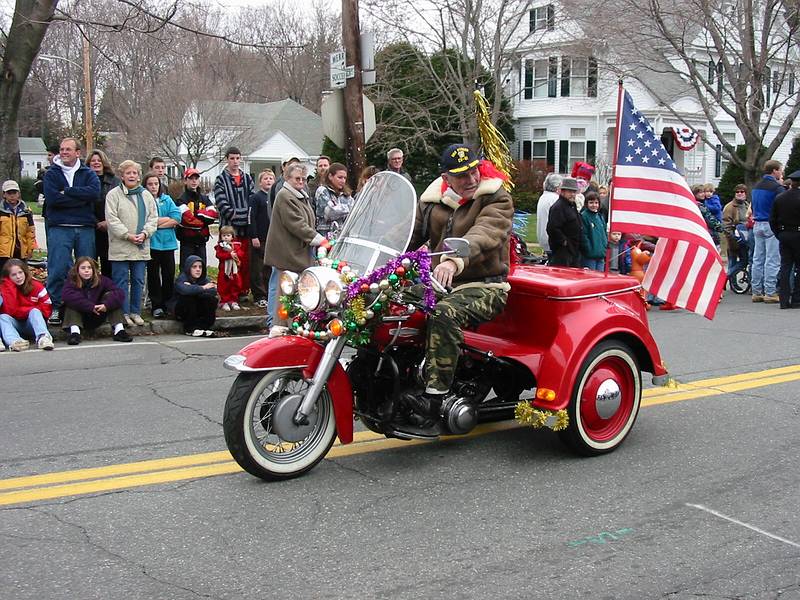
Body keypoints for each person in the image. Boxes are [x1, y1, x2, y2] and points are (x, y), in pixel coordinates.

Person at [398, 144, 513, 430]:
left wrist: (452, 261)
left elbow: (485, 233)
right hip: (440, 283)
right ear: (446, 177)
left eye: (474, 170)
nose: (471, 179)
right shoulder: (434, 200)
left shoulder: (495, 197)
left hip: (485, 285)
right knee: (391, 302)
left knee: (444, 313)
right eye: (462, 175)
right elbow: (404, 234)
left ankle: (434, 398)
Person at [264, 162, 331, 331]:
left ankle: (291, 327)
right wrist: (318, 239)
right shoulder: (285, 195)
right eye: (297, 178)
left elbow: (308, 220)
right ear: (287, 178)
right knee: (284, 295)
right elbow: (296, 224)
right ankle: (279, 329)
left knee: (293, 294)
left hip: (298, 252)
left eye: (303, 178)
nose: (301, 181)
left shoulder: (300, 194)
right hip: (287, 254)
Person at [43, 137, 101, 326]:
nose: (64, 152)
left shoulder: (88, 173)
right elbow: (52, 199)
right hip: (59, 227)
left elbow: (93, 193)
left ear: (78, 152)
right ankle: (57, 306)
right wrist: (79, 198)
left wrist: (66, 191)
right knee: (58, 268)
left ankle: (86, 306)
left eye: (68, 149)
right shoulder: (52, 174)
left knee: (87, 270)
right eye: (62, 149)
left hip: (85, 227)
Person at [105, 160, 158, 326]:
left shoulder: (146, 195)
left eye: (134, 173)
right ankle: (123, 312)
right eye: (128, 173)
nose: (132, 176)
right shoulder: (113, 195)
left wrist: (144, 233)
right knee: (120, 281)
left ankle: (136, 311)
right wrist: (127, 235)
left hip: (140, 246)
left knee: (138, 280)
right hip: (120, 245)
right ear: (122, 176)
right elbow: (112, 219)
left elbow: (153, 218)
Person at [61, 256, 133, 344]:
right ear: (77, 270)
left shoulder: (102, 280)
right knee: (71, 304)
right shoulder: (72, 281)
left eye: (89, 268)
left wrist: (106, 305)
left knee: (112, 299)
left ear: (93, 269)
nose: (86, 270)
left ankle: (119, 330)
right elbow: (67, 296)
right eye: (83, 268)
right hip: (79, 317)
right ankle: (74, 333)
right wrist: (90, 307)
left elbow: (119, 293)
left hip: (97, 314)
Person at [214, 146, 254, 300]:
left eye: (238, 158)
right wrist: (241, 215)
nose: (235, 161)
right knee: (227, 261)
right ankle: (226, 294)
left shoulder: (247, 178)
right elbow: (223, 206)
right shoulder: (220, 180)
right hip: (228, 231)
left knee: (243, 260)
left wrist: (244, 217)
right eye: (232, 158)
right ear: (227, 159)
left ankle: (242, 291)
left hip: (245, 230)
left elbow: (252, 202)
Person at [143, 172, 181, 318]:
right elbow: (146, 222)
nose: (153, 187)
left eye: (156, 184)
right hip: (152, 244)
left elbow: (176, 218)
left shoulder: (167, 199)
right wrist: (163, 220)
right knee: (153, 275)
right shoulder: (144, 201)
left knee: (168, 274)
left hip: (168, 244)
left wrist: (157, 223)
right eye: (150, 184)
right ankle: (156, 305)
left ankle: (168, 304)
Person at [0, 259, 54, 351]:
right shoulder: (4, 289)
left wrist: (25, 311)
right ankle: (15, 342)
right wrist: (10, 289)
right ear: (8, 277)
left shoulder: (36, 286)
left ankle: (43, 338)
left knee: (34, 311)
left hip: (32, 324)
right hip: (15, 324)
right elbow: (9, 310)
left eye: (20, 273)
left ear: (25, 272)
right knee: (3, 317)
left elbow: (47, 309)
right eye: (13, 275)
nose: (18, 277)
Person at [750, 159, 784, 303]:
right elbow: (781, 207)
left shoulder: (756, 186)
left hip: (757, 223)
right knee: (772, 259)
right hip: (770, 224)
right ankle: (770, 292)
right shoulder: (776, 188)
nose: (781, 173)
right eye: (780, 170)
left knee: (758, 259)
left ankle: (756, 291)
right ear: (775, 170)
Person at [769, 170, 800, 309]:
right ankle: (797, 299)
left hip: (784, 233)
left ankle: (784, 299)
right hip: (798, 234)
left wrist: (779, 233)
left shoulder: (780, 197)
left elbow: (772, 219)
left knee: (785, 267)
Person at [176, 168, 214, 274]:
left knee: (201, 270)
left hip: (201, 241)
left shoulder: (204, 198)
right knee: (186, 270)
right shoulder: (181, 199)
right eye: (191, 178)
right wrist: (203, 219)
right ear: (185, 180)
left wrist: (199, 216)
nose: (194, 181)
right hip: (187, 242)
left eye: (196, 178)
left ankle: (201, 289)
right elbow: (187, 220)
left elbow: (213, 215)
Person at [87, 149, 120, 276]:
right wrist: (96, 223)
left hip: (110, 229)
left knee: (108, 264)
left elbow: (120, 204)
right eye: (93, 161)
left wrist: (109, 222)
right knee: (90, 264)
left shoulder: (115, 181)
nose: (96, 163)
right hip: (90, 227)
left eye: (99, 160)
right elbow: (83, 204)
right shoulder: (84, 180)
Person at [174, 255, 218, 337]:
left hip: (197, 309)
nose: (198, 270)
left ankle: (205, 327)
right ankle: (190, 329)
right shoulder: (182, 278)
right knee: (189, 298)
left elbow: (213, 291)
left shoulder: (204, 279)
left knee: (210, 299)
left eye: (200, 267)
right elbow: (185, 290)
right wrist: (203, 288)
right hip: (182, 311)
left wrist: (193, 288)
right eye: (194, 267)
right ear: (188, 268)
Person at [248, 169, 274, 309]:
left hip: (271, 239)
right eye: (265, 178)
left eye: (271, 178)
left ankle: (269, 294)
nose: (268, 181)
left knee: (269, 269)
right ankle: (259, 295)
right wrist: (254, 236)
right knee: (257, 268)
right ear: (260, 182)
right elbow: (250, 218)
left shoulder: (274, 197)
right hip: (259, 238)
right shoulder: (256, 198)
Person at [0, 180, 36, 272]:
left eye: (14, 193)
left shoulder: (26, 211)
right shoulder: (1, 211)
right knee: (4, 278)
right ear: (4, 194)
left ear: (18, 194)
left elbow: (30, 232)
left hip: (21, 252)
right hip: (3, 252)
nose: (12, 196)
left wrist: (30, 248)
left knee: (20, 277)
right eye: (9, 193)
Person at [546, 177, 582, 267]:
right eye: (570, 192)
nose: (573, 194)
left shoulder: (572, 205)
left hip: (573, 248)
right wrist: (564, 241)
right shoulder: (558, 207)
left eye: (574, 192)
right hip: (562, 251)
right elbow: (552, 228)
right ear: (563, 192)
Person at [314, 162, 352, 239]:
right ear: (330, 176)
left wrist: (340, 208)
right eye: (340, 177)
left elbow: (354, 212)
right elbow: (330, 212)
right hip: (325, 237)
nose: (343, 181)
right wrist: (347, 208)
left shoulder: (346, 194)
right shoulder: (322, 191)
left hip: (341, 236)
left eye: (345, 178)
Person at [722, 184, 750, 277]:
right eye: (737, 192)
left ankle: (731, 281)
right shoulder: (730, 207)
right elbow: (726, 225)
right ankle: (726, 278)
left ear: (745, 193)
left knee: (744, 261)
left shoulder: (747, 205)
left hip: (745, 239)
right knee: (734, 262)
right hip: (733, 239)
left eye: (742, 192)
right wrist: (732, 239)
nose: (739, 193)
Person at [215, 225, 243, 311]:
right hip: (224, 270)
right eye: (224, 235)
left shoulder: (236, 245)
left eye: (228, 235)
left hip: (234, 270)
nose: (226, 237)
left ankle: (233, 300)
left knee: (235, 284)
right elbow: (219, 255)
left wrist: (236, 255)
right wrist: (229, 255)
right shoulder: (221, 246)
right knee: (224, 285)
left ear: (232, 236)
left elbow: (241, 254)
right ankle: (224, 301)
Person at [536, 173, 562, 259]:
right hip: (553, 241)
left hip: (544, 239)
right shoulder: (555, 199)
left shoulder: (543, 197)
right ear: (557, 187)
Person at [580, 191, 607, 271]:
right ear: (586, 203)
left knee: (599, 278)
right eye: (591, 203)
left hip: (600, 254)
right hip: (590, 255)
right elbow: (583, 235)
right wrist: (588, 249)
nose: (594, 205)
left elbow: (604, 233)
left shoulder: (600, 217)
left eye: (596, 203)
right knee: (590, 277)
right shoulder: (584, 216)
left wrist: (604, 245)